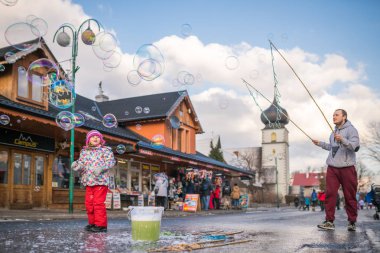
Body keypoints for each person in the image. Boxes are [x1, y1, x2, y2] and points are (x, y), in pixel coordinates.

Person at [313, 109, 360, 231]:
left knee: (349, 196)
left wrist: (343, 140)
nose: (333, 117)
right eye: (333, 115)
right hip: (332, 168)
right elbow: (332, 148)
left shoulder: (351, 130)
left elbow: (355, 146)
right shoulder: (333, 133)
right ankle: (329, 222)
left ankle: (352, 222)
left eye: (336, 115)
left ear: (344, 117)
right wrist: (320, 143)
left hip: (347, 168)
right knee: (330, 194)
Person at [72, 130, 116, 233]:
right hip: (88, 181)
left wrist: (102, 167)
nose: (95, 138)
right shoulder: (84, 151)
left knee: (98, 203)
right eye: (92, 137)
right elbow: (82, 164)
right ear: (88, 140)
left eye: (97, 137)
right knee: (89, 204)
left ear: (101, 140)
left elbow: (111, 162)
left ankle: (101, 225)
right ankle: (92, 223)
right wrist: (77, 166)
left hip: (100, 182)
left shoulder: (105, 150)